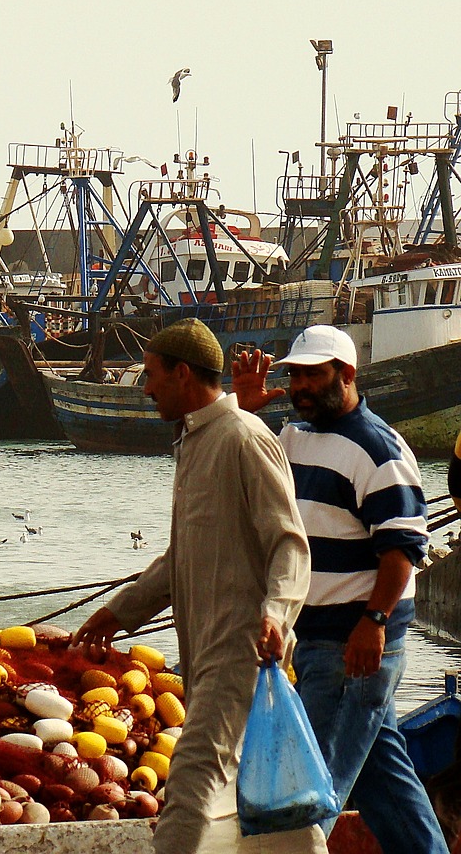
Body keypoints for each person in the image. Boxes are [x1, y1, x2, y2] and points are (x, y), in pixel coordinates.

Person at [73, 318, 321, 853]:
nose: (145, 388)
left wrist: (276, 614)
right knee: (273, 801)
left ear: (183, 374)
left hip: (243, 647)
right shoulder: (194, 441)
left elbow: (289, 544)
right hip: (208, 648)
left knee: (191, 777)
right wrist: (119, 612)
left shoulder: (244, 439)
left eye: (152, 375)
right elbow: (180, 558)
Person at [233, 325, 448, 854]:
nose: (301, 386)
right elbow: (247, 478)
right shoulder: (293, 436)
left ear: (346, 375)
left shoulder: (379, 449)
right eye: (296, 375)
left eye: (313, 374)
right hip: (316, 640)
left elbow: (401, 549)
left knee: (311, 783)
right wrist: (245, 412)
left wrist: (372, 625)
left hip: (353, 643)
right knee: (385, 784)